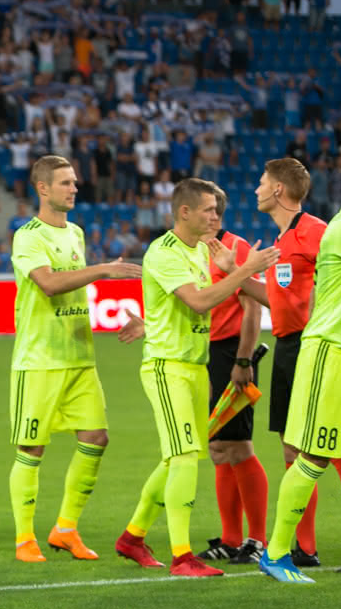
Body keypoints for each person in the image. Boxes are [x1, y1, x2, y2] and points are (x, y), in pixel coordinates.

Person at [115, 180, 278, 575]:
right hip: (167, 368)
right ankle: (182, 556)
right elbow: (200, 301)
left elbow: (183, 314)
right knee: (186, 456)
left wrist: (231, 271)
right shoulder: (166, 251)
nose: (215, 217)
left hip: (192, 366)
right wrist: (245, 271)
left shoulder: (198, 251)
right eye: (208, 210)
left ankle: (133, 537)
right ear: (184, 212)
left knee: (176, 459)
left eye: (218, 211)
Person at [6, 156, 143, 563]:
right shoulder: (27, 237)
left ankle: (65, 529)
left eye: (75, 182)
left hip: (80, 357)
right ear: (43, 188)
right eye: (65, 182)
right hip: (40, 360)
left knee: (96, 438)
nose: (74, 188)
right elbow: (48, 284)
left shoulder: (77, 233)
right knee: (32, 449)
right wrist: (102, 270)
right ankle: (24, 538)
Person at [254, 158, 334, 566]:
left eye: (263, 183)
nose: (256, 190)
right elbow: (278, 301)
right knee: (292, 445)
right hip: (286, 346)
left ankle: (298, 545)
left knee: (325, 445)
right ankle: (305, 547)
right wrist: (238, 277)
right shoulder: (280, 242)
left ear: (279, 191)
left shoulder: (317, 232)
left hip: (313, 345)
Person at [197, 184, 269, 565]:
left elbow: (254, 310)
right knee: (219, 449)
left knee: (239, 446)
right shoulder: (191, 249)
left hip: (231, 353)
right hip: (205, 353)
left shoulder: (236, 248)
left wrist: (243, 361)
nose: (208, 216)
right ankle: (230, 537)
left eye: (212, 210)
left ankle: (257, 540)